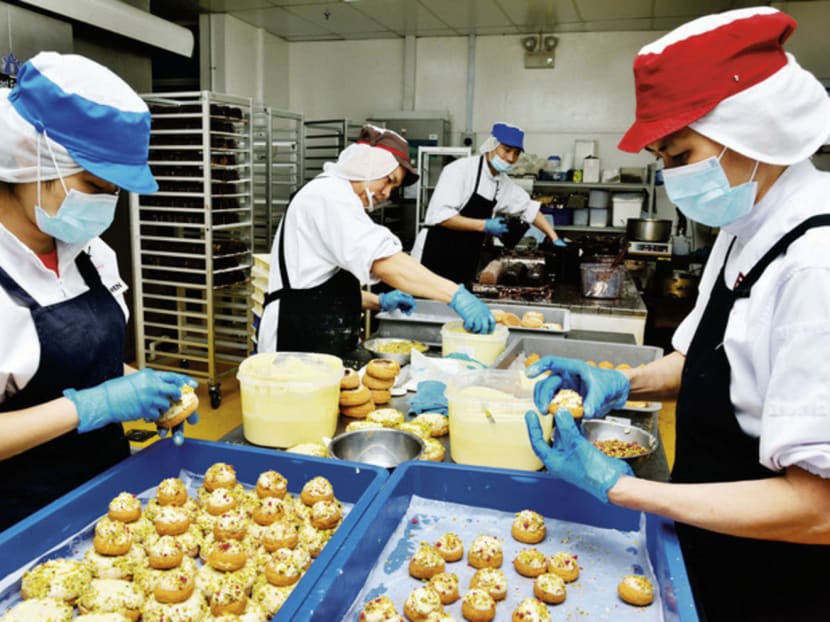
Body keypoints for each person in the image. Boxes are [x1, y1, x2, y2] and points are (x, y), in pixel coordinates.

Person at [524, 7, 830, 621]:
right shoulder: (745, 223)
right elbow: (703, 363)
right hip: (710, 546)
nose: (669, 177)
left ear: (752, 129)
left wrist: (624, 488)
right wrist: (619, 380)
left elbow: (817, 508)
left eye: (678, 152)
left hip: (777, 580)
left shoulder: (815, 265)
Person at [0, 52, 198, 531]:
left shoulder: (90, 253)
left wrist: (142, 388)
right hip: (22, 520)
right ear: (31, 156)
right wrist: (94, 405)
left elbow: (86, 360)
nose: (105, 202)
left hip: (110, 494)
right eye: (93, 183)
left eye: (114, 189)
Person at [257, 125, 495, 357]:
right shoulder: (328, 196)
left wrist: (379, 301)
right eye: (389, 180)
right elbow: (386, 263)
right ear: (368, 164)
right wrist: (456, 295)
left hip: (312, 335)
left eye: (394, 187)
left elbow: (319, 289)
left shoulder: (336, 197)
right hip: (293, 342)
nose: (387, 193)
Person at [411, 122, 565, 286]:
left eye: (516, 153)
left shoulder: (501, 182)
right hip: (435, 252)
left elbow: (529, 208)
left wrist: (553, 237)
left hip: (464, 257)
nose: (511, 158)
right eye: (506, 150)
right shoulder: (459, 170)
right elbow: (442, 217)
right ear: (492, 145)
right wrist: (485, 225)